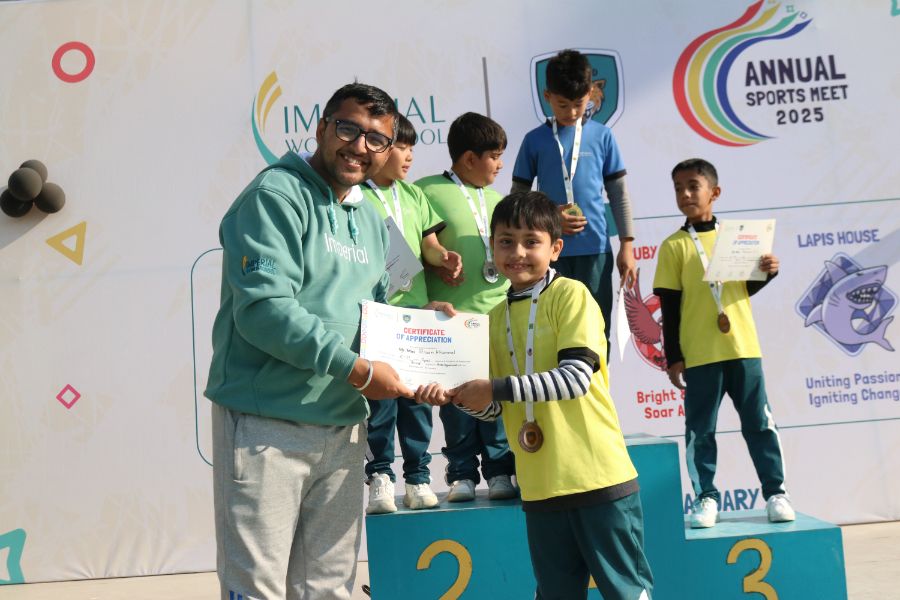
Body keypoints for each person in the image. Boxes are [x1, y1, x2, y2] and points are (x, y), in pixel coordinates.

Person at [204, 83, 413, 600]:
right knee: (257, 589)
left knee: (328, 588)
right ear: (322, 128)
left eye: (376, 139)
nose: (360, 147)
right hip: (267, 423)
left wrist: (428, 331)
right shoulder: (274, 196)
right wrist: (357, 370)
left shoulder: (371, 217)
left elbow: (377, 313)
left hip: (343, 427)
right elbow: (264, 311)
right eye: (348, 129)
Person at [416, 191, 653, 600]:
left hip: (598, 480)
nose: (518, 253)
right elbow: (494, 409)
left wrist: (493, 388)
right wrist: (456, 395)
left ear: (556, 248)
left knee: (627, 594)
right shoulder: (494, 319)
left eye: (531, 241)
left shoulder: (571, 295)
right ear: (492, 248)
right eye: (506, 242)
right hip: (540, 489)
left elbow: (574, 378)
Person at [652, 158, 794, 529]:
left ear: (714, 192)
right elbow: (670, 307)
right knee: (700, 431)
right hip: (700, 354)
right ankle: (706, 497)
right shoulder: (673, 246)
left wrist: (768, 273)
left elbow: (741, 290)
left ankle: (776, 493)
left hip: (743, 348)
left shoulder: (738, 238)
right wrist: (674, 357)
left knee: (760, 424)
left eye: (693, 186)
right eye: (678, 188)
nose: (685, 194)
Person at [360, 114, 462, 513]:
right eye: (401, 147)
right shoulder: (356, 195)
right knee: (380, 403)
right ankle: (380, 476)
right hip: (376, 317)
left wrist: (443, 257)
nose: (408, 156)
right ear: (379, 148)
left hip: (416, 315)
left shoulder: (414, 195)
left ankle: (418, 476)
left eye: (411, 148)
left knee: (418, 401)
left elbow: (429, 244)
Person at [415, 112, 517, 503]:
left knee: (496, 395)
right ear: (470, 158)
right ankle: (460, 473)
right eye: (494, 156)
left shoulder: (498, 200)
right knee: (456, 400)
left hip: (498, 315)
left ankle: (500, 470)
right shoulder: (425, 191)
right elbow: (410, 249)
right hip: (451, 318)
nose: (500, 165)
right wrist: (435, 262)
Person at [511, 49, 637, 353]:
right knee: (554, 329)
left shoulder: (603, 136)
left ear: (591, 93)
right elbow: (517, 199)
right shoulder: (534, 140)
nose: (570, 112)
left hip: (595, 250)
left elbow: (618, 194)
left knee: (597, 329)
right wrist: (550, 216)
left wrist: (627, 244)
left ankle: (598, 383)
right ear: (547, 97)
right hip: (549, 253)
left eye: (578, 104)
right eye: (562, 104)